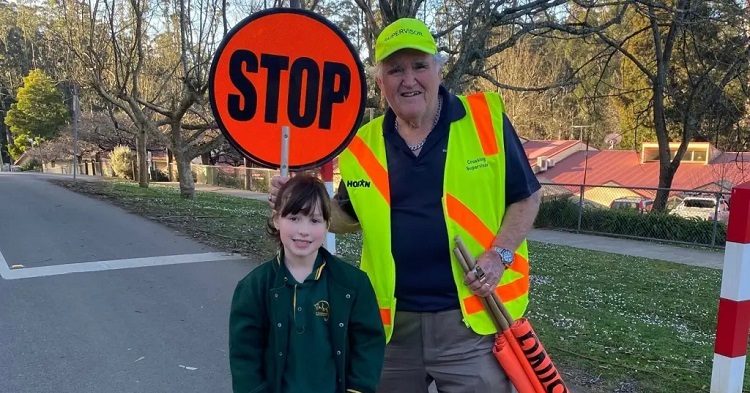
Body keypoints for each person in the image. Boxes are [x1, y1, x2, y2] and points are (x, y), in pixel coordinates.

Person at [269, 17, 542, 393]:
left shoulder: (484, 120)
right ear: (380, 83)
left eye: (419, 65)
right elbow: (347, 216)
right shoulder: (363, 144)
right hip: (390, 327)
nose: (408, 79)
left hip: (471, 324)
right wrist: (298, 203)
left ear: (438, 69)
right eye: (395, 69)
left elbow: (527, 196)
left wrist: (499, 255)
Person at [230, 174, 386, 393]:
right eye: (294, 218)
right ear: (277, 220)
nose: (304, 230)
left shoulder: (353, 284)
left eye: (314, 220)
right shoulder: (253, 287)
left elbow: (368, 345)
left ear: (327, 225)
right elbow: (245, 358)